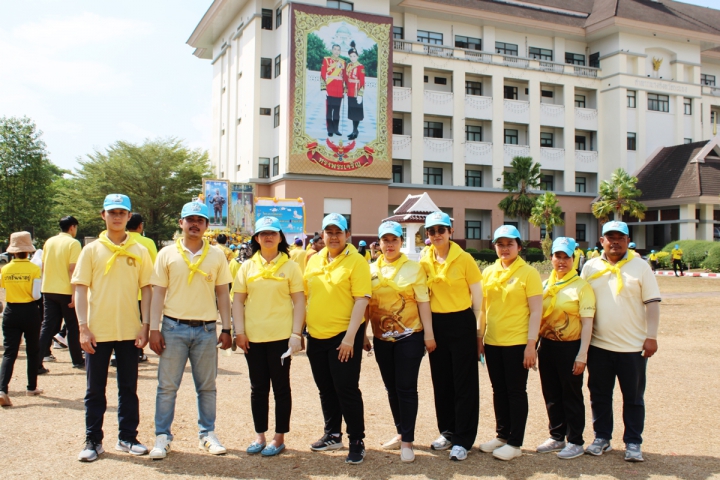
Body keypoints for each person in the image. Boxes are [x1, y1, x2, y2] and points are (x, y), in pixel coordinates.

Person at [148, 201, 233, 459]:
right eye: (190, 219)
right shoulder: (166, 253)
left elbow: (223, 293)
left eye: (200, 220)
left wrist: (226, 328)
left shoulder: (217, 255)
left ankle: (207, 434)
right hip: (173, 327)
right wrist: (154, 328)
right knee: (167, 386)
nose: (195, 224)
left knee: (207, 387)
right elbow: (158, 293)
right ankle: (162, 436)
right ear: (181, 223)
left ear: (207, 225)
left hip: (206, 330)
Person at [73, 194, 153, 462]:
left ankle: (127, 437)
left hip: (130, 330)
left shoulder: (140, 250)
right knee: (94, 389)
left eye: (122, 213)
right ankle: (93, 440)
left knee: (128, 388)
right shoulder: (91, 250)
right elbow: (80, 288)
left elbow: (147, 289)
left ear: (129, 216)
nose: (117, 217)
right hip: (98, 330)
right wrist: (83, 327)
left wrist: (145, 325)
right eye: (112, 212)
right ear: (103, 215)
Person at [581, 221, 661, 462]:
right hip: (599, 346)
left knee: (633, 398)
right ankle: (602, 437)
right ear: (602, 241)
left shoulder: (641, 267)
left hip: (632, 348)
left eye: (620, 237)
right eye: (610, 237)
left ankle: (633, 442)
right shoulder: (590, 266)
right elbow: (581, 302)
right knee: (599, 395)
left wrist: (651, 336)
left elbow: (652, 304)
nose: (615, 242)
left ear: (628, 241)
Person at [232, 216, 305, 457]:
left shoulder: (291, 266)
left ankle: (279, 437)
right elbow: (238, 301)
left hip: (281, 337)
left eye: (273, 233)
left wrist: (296, 334)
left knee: (281, 388)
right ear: (256, 238)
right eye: (263, 233)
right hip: (253, 337)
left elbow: (299, 301)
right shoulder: (247, 266)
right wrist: (239, 332)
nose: (268, 237)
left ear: (280, 237)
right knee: (258, 388)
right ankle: (260, 435)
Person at [304, 213, 371, 464]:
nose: (333, 237)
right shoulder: (314, 259)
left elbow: (361, 300)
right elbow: (307, 296)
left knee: (346, 389)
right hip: (316, 335)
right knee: (326, 388)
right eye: (329, 232)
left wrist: (350, 338)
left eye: (338, 232)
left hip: (344, 336)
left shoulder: (357, 261)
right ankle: (332, 434)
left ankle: (356, 440)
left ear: (347, 235)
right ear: (322, 234)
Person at [369, 221, 435, 463]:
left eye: (394, 240)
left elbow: (423, 302)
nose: (390, 245)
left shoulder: (413, 269)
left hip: (410, 336)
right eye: (385, 240)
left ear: (401, 242)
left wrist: (429, 334)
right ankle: (400, 432)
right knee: (391, 388)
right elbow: (365, 303)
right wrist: (364, 335)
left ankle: (408, 440)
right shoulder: (370, 270)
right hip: (381, 338)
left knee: (406, 387)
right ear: (379, 243)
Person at [419, 211, 482, 462]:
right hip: (437, 324)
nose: (437, 235)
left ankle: (463, 439)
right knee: (442, 381)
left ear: (450, 232)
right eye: (432, 231)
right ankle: (447, 431)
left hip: (462, 321)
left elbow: (478, 298)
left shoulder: (464, 258)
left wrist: (477, 331)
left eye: (441, 230)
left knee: (464, 383)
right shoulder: (425, 258)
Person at [479, 225, 543, 461]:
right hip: (493, 341)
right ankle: (502, 435)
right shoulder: (489, 272)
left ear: (519, 246)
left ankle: (515, 443)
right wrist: (479, 337)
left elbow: (536, 312)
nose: (505, 249)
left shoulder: (529, 273)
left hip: (517, 342)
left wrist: (531, 344)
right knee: (499, 390)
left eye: (510, 244)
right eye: (500, 244)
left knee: (516, 391)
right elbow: (483, 309)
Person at [536, 237, 595, 460]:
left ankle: (576, 440)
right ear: (551, 258)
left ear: (574, 259)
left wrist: (582, 355)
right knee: (551, 393)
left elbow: (587, 323)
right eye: (557, 256)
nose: (561, 261)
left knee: (571, 395)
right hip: (547, 346)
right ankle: (557, 435)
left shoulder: (582, 287)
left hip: (571, 348)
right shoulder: (546, 284)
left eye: (566, 257)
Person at [0, 232, 42, 407]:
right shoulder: (34, 269)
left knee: (10, 352)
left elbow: (3, 287)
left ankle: (2, 389)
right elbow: (36, 295)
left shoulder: (5, 269)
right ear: (29, 250)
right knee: (32, 350)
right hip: (30, 311)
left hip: (11, 311)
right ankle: (31, 387)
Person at [38, 216, 85, 373]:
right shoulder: (73, 243)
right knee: (72, 326)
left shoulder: (49, 242)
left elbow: (43, 266)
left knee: (47, 325)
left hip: (48, 289)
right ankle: (77, 360)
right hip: (65, 290)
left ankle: (37, 361)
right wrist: (75, 292)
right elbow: (73, 269)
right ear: (72, 227)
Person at [127, 213, 158, 364]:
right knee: (141, 322)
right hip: (144, 291)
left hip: (126, 292)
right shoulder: (147, 242)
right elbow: (155, 264)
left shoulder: (121, 240)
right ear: (140, 226)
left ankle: (117, 353)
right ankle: (138, 351)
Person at [320, 44, 346, 137]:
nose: (336, 51)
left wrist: (344, 90)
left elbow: (344, 76)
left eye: (338, 50)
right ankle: (330, 129)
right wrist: (323, 88)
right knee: (329, 111)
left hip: (339, 90)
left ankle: (336, 129)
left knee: (337, 112)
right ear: (332, 50)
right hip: (330, 88)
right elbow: (323, 74)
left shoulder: (343, 62)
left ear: (340, 51)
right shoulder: (326, 60)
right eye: (335, 49)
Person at [345, 41, 365, 140]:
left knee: (357, 113)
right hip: (350, 92)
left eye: (354, 56)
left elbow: (362, 81)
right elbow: (346, 78)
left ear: (357, 56)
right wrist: (345, 89)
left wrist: (360, 94)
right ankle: (353, 130)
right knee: (352, 112)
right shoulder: (348, 66)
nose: (352, 58)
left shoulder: (360, 67)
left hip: (357, 92)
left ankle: (355, 131)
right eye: (351, 56)